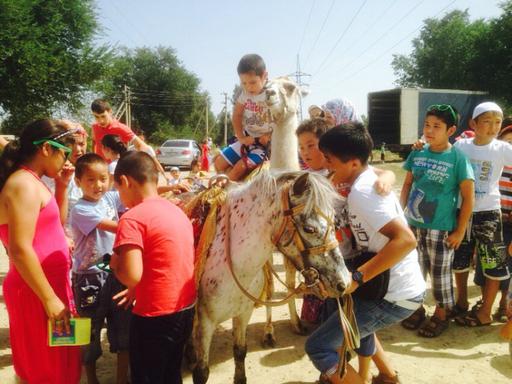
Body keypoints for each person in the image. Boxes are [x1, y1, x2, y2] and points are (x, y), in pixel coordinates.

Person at [305, 124, 425, 384]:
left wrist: (357, 278)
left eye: (330, 159)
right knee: (354, 322)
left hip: (393, 295)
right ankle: (387, 377)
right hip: (392, 287)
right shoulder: (363, 178)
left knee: (319, 346)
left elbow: (406, 240)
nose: (327, 165)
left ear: (354, 162)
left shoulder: (362, 192)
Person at [0, 119, 81, 383]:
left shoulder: (35, 181)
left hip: (52, 286)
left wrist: (63, 187)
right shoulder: (22, 184)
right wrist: (49, 299)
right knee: (46, 370)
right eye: (65, 152)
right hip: (35, 291)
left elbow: (55, 226)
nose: (67, 160)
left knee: (64, 359)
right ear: (47, 148)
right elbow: (20, 249)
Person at [110, 151, 196, 383]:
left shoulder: (132, 218)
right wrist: (136, 288)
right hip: (185, 309)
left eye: (118, 189)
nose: (120, 196)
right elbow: (166, 261)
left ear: (125, 181)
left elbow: (131, 275)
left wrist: (116, 266)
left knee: (147, 376)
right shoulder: (177, 212)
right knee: (170, 372)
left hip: (154, 315)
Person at [399, 104, 475, 337]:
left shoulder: (457, 158)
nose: (430, 131)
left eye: (437, 127)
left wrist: (460, 231)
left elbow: (468, 196)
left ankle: (442, 314)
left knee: (440, 276)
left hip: (440, 230)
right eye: (427, 125)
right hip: (412, 227)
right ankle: (416, 309)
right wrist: (400, 219)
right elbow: (407, 185)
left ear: (450, 130)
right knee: (414, 271)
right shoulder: (418, 152)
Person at [449, 102, 512, 327]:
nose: (494, 127)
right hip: (461, 211)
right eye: (487, 121)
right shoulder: (460, 146)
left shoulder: (503, 149)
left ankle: (485, 311)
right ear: (473, 123)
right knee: (459, 259)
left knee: (492, 262)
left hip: (489, 213)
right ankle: (462, 302)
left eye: (498, 122)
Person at [70, 153, 131, 384]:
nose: (98, 185)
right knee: (89, 333)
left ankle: (121, 379)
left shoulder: (110, 199)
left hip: (115, 274)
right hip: (89, 280)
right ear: (78, 182)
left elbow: (137, 191)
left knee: (124, 330)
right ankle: (92, 380)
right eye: (91, 180)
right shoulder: (80, 209)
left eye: (103, 179)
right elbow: (117, 227)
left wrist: (166, 191)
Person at [473, 121, 512, 323]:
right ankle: (484, 301)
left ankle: (505, 305)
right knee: (484, 263)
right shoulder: (493, 165)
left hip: (510, 224)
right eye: (508, 141)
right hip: (493, 219)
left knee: (507, 266)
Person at [214, 54, 273, 180]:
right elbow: (237, 114)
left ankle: (222, 191)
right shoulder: (244, 94)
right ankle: (219, 186)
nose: (248, 87)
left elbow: (282, 119)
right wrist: (241, 137)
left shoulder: (272, 94)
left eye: (252, 82)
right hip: (247, 138)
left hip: (265, 145)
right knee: (218, 162)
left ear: (264, 76)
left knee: (239, 168)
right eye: (244, 83)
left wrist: (271, 138)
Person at [90, 99, 169, 183]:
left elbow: (142, 146)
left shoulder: (121, 128)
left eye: (103, 116)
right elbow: (94, 143)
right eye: (96, 117)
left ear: (110, 112)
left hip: (117, 171)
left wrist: (157, 171)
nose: (100, 120)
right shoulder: (95, 127)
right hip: (100, 169)